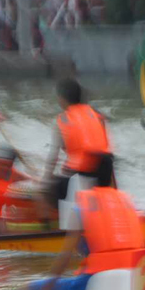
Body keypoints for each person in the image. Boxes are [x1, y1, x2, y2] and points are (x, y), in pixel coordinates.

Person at [29, 154, 144, 290]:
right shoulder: (129, 203)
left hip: (96, 283)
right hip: (134, 280)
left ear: (87, 177)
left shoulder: (82, 205)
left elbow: (65, 256)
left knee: (37, 288)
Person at [44, 78, 113, 223]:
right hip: (106, 172)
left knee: (47, 189)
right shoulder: (95, 114)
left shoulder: (63, 119)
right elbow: (105, 149)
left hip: (83, 175)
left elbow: (53, 158)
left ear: (62, 98)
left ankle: (56, 226)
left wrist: (45, 180)